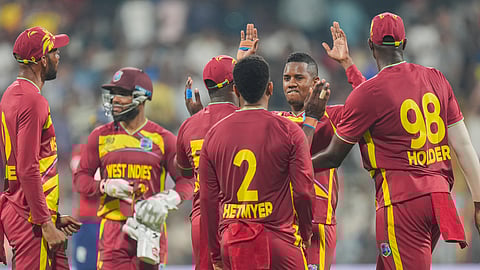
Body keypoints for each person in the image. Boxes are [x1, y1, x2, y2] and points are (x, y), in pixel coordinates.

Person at [310, 12, 480, 269]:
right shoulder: (436, 78)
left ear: (370, 45)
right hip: (440, 200)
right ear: (405, 43)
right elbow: (464, 146)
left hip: (402, 203)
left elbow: (334, 155)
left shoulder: (371, 92)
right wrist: (478, 201)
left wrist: (290, 165)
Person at [200, 55, 328, 269]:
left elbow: (208, 200)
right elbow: (304, 191)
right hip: (279, 240)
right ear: (270, 88)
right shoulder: (290, 131)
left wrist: (216, 254)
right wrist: (305, 233)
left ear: (237, 92)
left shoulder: (213, 135)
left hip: (233, 242)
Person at [73, 67, 193, 269]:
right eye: (113, 94)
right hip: (112, 230)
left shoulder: (163, 139)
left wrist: (168, 200)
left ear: (141, 97)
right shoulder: (99, 136)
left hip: (151, 229)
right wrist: (105, 185)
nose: (115, 100)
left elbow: (187, 180)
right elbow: (80, 179)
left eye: (122, 94)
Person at [278, 22, 365, 268]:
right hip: (279, 225)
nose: (291, 83)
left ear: (315, 82)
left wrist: (347, 64)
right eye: (286, 78)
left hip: (317, 223)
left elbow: (372, 101)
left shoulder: (333, 116)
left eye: (298, 77)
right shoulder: (275, 121)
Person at [177, 23, 258, 270]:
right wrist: (247, 67)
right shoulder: (249, 119)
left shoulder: (189, 125)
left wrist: (196, 117)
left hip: (202, 221)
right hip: (241, 219)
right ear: (236, 85)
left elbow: (184, 172)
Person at [0, 26, 82, 269]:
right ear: (42, 60)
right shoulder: (33, 100)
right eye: (55, 52)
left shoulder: (13, 94)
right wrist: (45, 222)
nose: (59, 57)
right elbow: (27, 167)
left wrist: (51, 216)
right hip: (29, 216)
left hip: (25, 206)